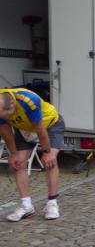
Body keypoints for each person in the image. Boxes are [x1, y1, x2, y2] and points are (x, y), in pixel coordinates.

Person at [0, 89, 65, 221]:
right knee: (18, 163)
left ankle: (52, 203)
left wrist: (46, 152)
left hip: (49, 124)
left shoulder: (28, 101)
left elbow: (40, 130)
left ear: (12, 104)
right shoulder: (1, 106)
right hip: (24, 128)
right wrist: (13, 154)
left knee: (50, 161)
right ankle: (26, 206)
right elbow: (6, 131)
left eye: (7, 116)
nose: (6, 119)